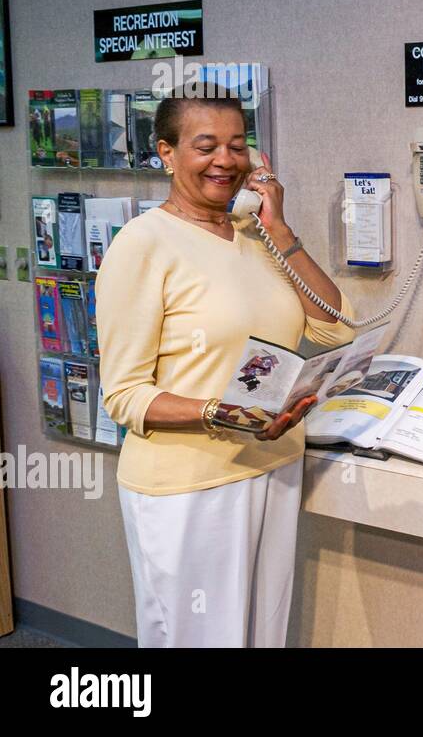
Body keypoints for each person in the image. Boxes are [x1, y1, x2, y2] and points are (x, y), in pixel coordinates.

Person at [96, 87, 356, 647]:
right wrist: (222, 414)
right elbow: (124, 395)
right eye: (205, 145)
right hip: (189, 485)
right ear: (166, 153)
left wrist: (279, 228)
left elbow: (336, 327)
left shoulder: (257, 238)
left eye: (238, 146)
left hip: (273, 463)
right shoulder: (142, 245)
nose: (225, 161)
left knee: (261, 636)